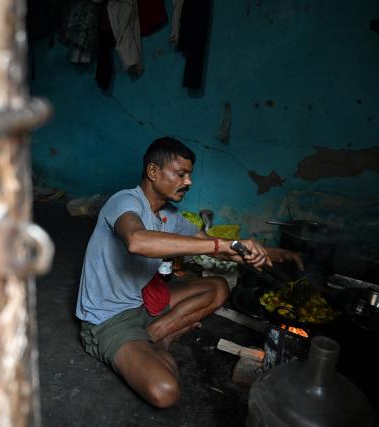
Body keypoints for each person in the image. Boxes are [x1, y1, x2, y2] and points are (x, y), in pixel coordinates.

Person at [75, 136, 303, 408]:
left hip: (142, 302)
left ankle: (159, 336)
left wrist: (273, 253)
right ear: (152, 171)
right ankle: (158, 342)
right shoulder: (125, 201)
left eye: (190, 175)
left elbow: (216, 248)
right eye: (181, 174)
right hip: (109, 318)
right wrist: (217, 243)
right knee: (166, 391)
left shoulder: (170, 215)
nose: (189, 182)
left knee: (218, 287)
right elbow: (137, 241)